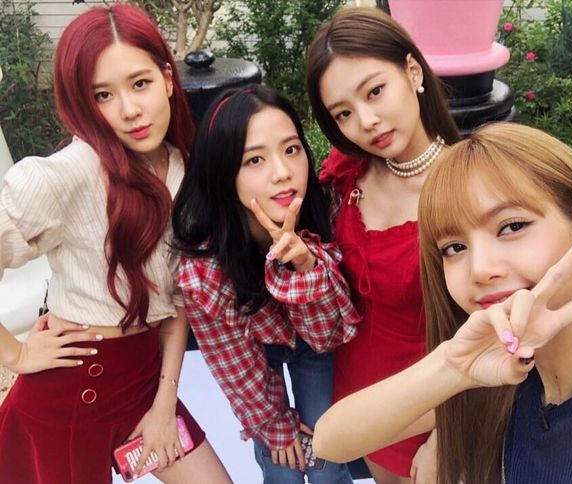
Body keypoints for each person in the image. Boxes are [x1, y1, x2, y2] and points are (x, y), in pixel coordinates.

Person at [312, 122, 572, 484]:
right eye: (455, 248)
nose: (480, 269)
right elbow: (330, 441)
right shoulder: (506, 375)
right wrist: (453, 367)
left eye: (512, 227)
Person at [0, 5, 232, 484]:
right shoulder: (67, 174)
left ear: (167, 79)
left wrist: (165, 402)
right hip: (67, 395)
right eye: (103, 95)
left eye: (139, 83)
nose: (128, 110)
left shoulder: (184, 169)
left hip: (144, 381)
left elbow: (177, 301)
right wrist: (15, 355)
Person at [172, 84, 359, 484]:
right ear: (223, 171)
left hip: (312, 338)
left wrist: (304, 266)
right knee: (281, 464)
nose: (282, 172)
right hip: (252, 345)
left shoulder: (324, 211)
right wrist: (274, 425)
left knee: (327, 458)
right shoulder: (204, 266)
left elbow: (327, 337)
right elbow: (233, 363)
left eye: (291, 149)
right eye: (254, 159)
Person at [305, 6, 460, 483]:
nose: (366, 121)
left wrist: (445, 434)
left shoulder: (469, 184)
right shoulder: (348, 174)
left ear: (412, 71)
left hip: (439, 406)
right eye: (344, 114)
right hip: (361, 395)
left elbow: (498, 324)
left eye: (375, 91)